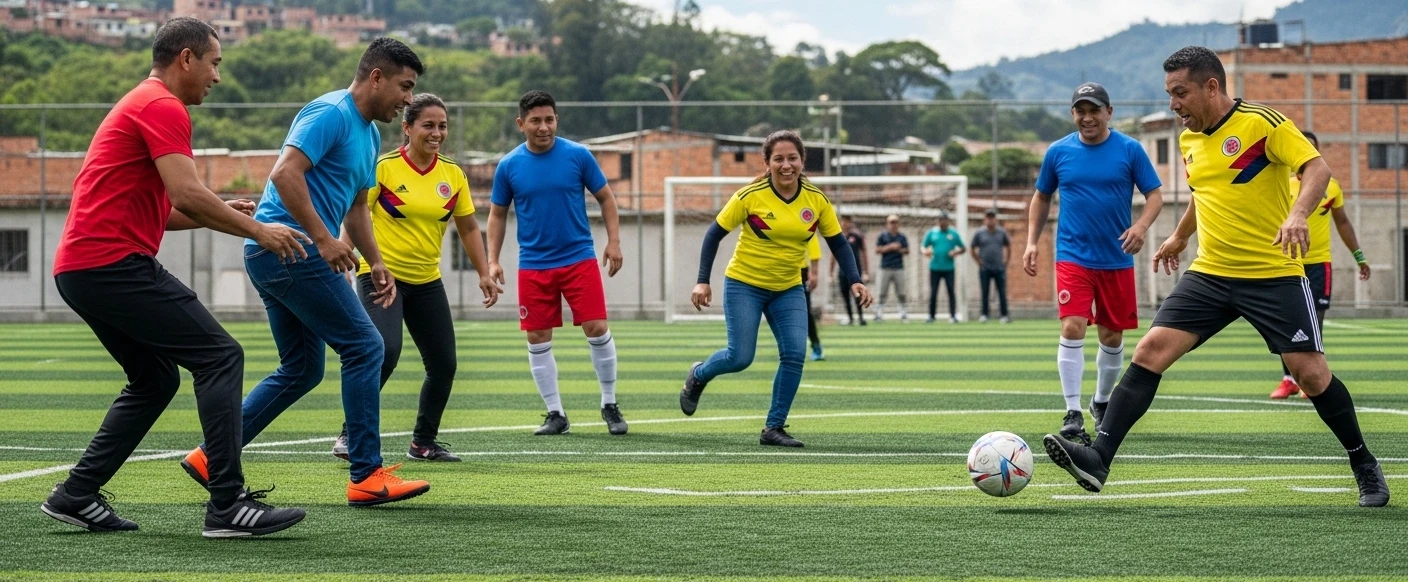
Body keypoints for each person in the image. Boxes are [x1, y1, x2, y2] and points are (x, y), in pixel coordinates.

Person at [1044, 46, 1389, 508]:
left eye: (1180, 93)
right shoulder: (1189, 140)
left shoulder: (1263, 124)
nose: (1173, 104)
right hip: (1211, 273)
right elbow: (1204, 194)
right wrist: (1181, 238)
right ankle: (1098, 458)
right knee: (1149, 351)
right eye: (1169, 94)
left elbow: (1317, 168)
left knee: (1309, 374)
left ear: (1211, 86)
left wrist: (1300, 214)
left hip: (1273, 274)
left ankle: (1363, 462)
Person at [43, 17, 307, 537]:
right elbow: (186, 195)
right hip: (112, 264)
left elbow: (166, 210)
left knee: (156, 378)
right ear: (186, 58)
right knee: (221, 356)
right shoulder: (163, 105)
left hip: (82, 269)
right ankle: (227, 505)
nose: (217, 77)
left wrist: (219, 209)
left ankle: (76, 493)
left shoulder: (142, 101)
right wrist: (257, 229)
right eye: (214, 63)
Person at [180, 37, 433, 507]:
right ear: (376, 77)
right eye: (405, 86)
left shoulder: (370, 134)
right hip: (289, 249)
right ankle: (366, 474)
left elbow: (357, 207)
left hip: (285, 254)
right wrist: (321, 238)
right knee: (364, 347)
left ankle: (212, 456)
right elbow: (284, 174)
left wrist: (374, 260)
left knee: (301, 368)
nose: (407, 99)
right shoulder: (331, 113)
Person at [328, 93, 503, 462]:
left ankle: (423, 443)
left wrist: (484, 271)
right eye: (428, 125)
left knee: (443, 364)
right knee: (384, 353)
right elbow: (356, 212)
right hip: (380, 278)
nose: (437, 133)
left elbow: (469, 228)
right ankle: (348, 435)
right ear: (407, 127)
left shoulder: (452, 174)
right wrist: (346, 259)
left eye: (442, 126)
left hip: (426, 281)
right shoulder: (385, 167)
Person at [680, 130, 873, 447]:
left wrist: (855, 279)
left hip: (788, 289)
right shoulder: (749, 196)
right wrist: (702, 280)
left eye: (792, 158)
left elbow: (838, 242)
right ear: (767, 163)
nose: (787, 165)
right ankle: (699, 375)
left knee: (795, 354)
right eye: (779, 159)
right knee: (740, 357)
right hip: (745, 285)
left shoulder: (817, 200)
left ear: (802, 160)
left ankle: (774, 427)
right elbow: (713, 235)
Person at [1023, 82, 1164, 444]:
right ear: (1073, 114)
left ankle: (1100, 402)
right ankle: (1072, 412)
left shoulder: (1130, 150)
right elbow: (1041, 197)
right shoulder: (1058, 152)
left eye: (1094, 110)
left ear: (1109, 112)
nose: (1087, 117)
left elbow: (1154, 196)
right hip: (1073, 255)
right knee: (1072, 326)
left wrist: (1141, 226)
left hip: (1117, 258)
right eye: (1080, 110)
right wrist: (1031, 243)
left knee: (1111, 335)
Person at [486, 90, 627, 436]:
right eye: (535, 120)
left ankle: (609, 403)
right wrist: (492, 260)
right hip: (533, 265)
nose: (543, 126)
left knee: (596, 327)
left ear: (556, 120)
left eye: (549, 119)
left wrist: (614, 242)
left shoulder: (578, 155)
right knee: (537, 336)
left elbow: (606, 198)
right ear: (522, 124)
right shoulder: (509, 166)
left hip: (578, 259)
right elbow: (497, 215)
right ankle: (556, 414)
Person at [1269, 131, 1371, 399]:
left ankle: (1312, 379)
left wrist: (1359, 257)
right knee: (1287, 321)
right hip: (1286, 263)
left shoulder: (1332, 187)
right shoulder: (1280, 185)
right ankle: (1288, 379)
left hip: (1319, 265)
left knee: (1315, 321)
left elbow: (1343, 223)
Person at [921, 211, 965, 323]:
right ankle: (931, 316)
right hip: (935, 267)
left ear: (947, 221)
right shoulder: (932, 233)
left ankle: (953, 316)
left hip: (949, 268)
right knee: (933, 292)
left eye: (944, 220)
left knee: (951, 291)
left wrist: (955, 253)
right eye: (940, 220)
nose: (942, 222)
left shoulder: (953, 234)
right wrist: (926, 252)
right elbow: (923, 246)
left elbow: (963, 248)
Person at [971, 209, 1012, 323]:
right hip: (985, 268)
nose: (990, 220)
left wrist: (1006, 261)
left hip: (999, 267)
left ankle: (1004, 315)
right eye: (988, 218)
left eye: (992, 218)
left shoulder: (1001, 232)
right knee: (985, 292)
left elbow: (1008, 246)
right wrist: (978, 261)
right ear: (985, 219)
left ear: (995, 219)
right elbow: (972, 248)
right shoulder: (979, 233)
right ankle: (984, 314)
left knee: (1002, 292)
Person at [831, 215, 870, 325]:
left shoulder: (856, 236)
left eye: (847, 222)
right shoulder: (836, 236)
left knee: (857, 294)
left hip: (855, 271)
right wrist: (831, 273)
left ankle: (861, 317)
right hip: (842, 272)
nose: (845, 224)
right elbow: (833, 255)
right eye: (843, 221)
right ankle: (850, 318)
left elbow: (864, 253)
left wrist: (866, 271)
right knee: (845, 295)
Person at [873, 215, 910, 322]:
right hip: (885, 267)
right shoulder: (883, 236)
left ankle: (903, 312)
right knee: (882, 291)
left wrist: (899, 249)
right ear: (887, 224)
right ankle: (879, 312)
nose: (893, 225)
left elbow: (907, 250)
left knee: (901, 292)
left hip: (898, 267)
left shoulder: (901, 237)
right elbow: (877, 249)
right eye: (891, 223)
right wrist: (890, 247)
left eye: (895, 223)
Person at [801, 235, 824, 360]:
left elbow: (813, 247)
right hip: (776, 271)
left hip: (800, 272)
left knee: (805, 312)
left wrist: (814, 273)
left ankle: (816, 345)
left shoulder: (804, 218)